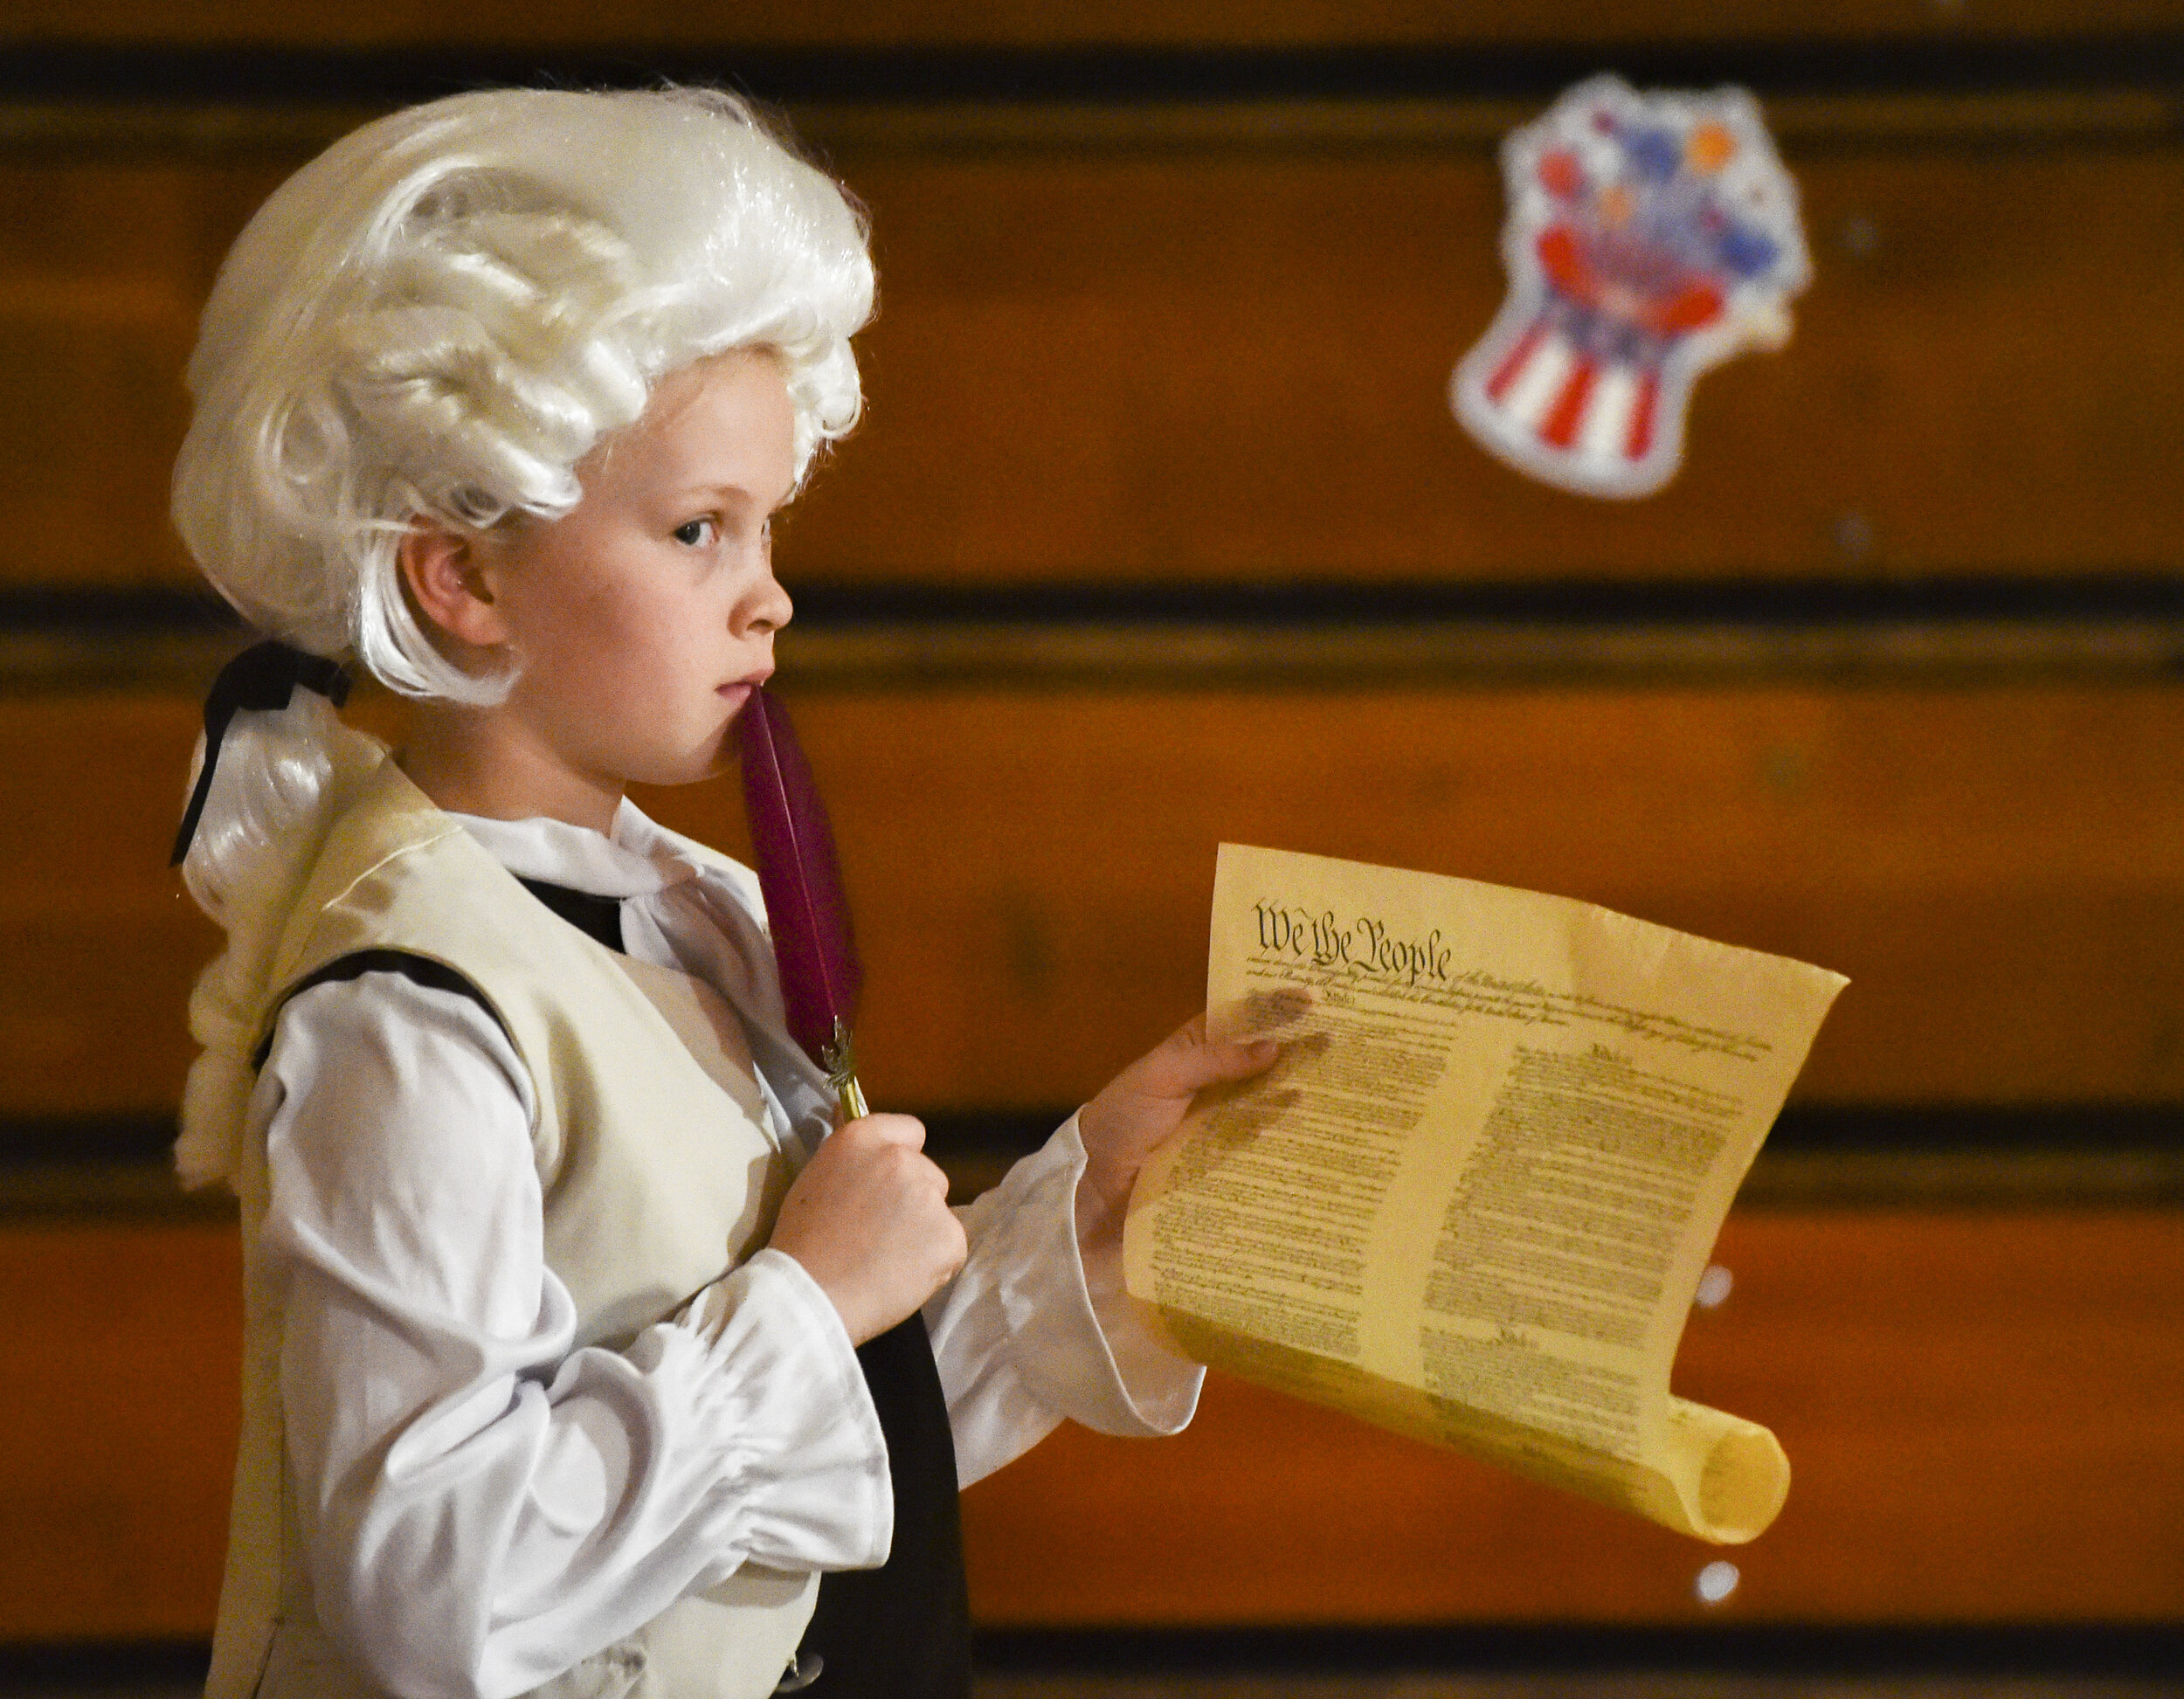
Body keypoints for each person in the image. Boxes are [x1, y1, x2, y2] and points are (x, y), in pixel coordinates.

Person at [169, 86, 1282, 1699]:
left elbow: (804, 1479)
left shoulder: (705, 919)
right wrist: (810, 1300)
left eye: (766, 527)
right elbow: (433, 1590)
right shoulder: (404, 1006)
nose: (767, 592)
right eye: (698, 528)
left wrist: (1093, 1202)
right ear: (462, 575)